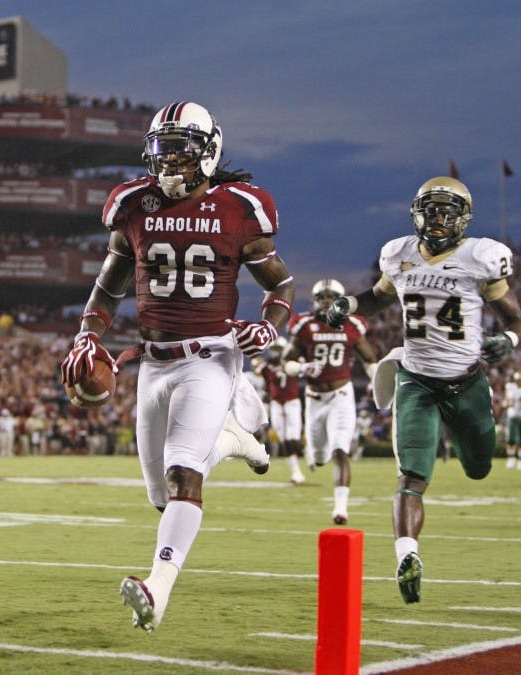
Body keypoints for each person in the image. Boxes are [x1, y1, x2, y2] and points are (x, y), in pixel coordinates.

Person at [61, 101, 294, 632]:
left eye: (179, 151)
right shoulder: (133, 205)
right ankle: (233, 439)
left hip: (210, 357)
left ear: (207, 153)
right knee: (161, 496)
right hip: (154, 363)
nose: (166, 163)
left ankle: (156, 590)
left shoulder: (238, 207)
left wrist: (270, 325)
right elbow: (108, 287)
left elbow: (280, 284)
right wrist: (85, 336)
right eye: (159, 150)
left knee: (184, 473)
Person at [325, 176, 521, 604]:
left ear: (463, 219)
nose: (438, 220)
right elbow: (380, 297)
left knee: (479, 466)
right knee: (411, 477)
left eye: (447, 212)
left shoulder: (482, 259)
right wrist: (350, 305)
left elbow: (517, 321)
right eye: (431, 210)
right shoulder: (397, 254)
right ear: (417, 213)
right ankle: (406, 556)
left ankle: (413, 540)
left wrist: (507, 341)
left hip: (467, 382)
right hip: (415, 380)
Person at [285, 278, 379, 525]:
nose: (326, 302)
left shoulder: (352, 325)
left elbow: (369, 360)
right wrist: (304, 367)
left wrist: (380, 381)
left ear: (340, 300)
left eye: (331, 297)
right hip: (315, 398)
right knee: (318, 456)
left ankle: (340, 509)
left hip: (341, 395)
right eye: (322, 297)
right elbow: (287, 361)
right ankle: (314, 455)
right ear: (315, 301)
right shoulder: (305, 325)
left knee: (340, 450)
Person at [257, 337, 308, 484]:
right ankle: (296, 471)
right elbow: (267, 386)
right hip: (276, 403)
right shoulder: (266, 367)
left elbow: (304, 372)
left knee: (292, 437)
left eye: (279, 350)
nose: (276, 353)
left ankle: (308, 451)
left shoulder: (293, 363)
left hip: (292, 402)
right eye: (274, 349)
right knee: (283, 438)